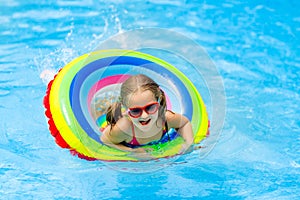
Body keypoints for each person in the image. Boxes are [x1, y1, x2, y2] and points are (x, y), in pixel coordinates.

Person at [100, 74, 194, 159]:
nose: (144, 116)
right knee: (101, 109)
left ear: (158, 101)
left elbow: (184, 123)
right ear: (126, 108)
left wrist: (188, 144)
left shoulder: (166, 119)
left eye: (150, 107)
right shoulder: (125, 127)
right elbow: (105, 140)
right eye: (136, 110)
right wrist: (132, 151)